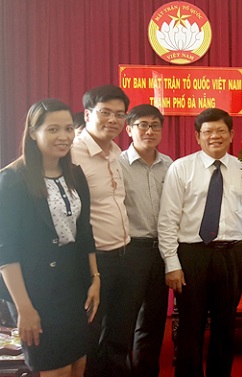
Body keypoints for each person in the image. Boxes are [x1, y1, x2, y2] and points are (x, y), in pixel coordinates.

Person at [158, 108, 242, 377]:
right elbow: (168, 219)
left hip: (232, 255)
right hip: (192, 255)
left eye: (220, 131)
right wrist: (171, 263)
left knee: (224, 325)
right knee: (190, 326)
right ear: (197, 136)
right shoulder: (180, 168)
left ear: (231, 135)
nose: (214, 136)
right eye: (208, 132)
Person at [0, 99, 100, 376]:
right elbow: (6, 250)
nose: (64, 136)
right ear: (33, 132)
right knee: (54, 369)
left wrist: (95, 279)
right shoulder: (12, 180)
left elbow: (85, 230)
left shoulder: (75, 175)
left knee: (78, 365)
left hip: (74, 284)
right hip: (36, 290)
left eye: (69, 128)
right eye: (53, 129)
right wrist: (24, 307)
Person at [71, 84, 133, 377]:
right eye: (105, 112)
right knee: (90, 333)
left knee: (120, 330)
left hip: (123, 254)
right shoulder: (72, 154)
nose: (113, 120)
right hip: (91, 261)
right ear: (87, 114)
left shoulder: (116, 151)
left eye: (119, 115)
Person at [118, 104, 172, 377]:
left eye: (155, 125)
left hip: (160, 251)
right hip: (129, 251)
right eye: (142, 125)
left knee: (153, 321)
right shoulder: (116, 165)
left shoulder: (170, 166)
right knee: (123, 322)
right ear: (129, 129)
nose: (150, 131)